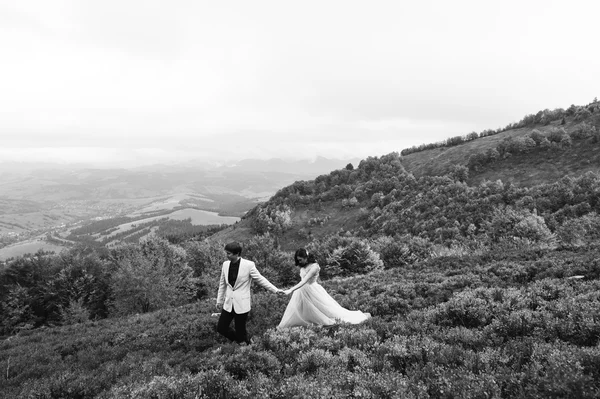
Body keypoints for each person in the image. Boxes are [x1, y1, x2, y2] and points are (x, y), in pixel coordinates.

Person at [278, 248, 371, 328]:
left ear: (306, 257)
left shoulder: (314, 266)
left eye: (300, 260)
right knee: (299, 310)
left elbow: (304, 280)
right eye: (297, 260)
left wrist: (290, 290)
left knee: (324, 312)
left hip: (312, 290)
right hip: (301, 291)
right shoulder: (303, 265)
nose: (298, 262)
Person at [216, 242, 283, 344]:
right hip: (228, 303)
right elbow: (222, 284)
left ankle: (245, 346)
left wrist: (275, 290)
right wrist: (219, 300)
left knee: (240, 331)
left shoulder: (249, 265)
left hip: (242, 303)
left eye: (229, 253)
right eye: (226, 253)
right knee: (221, 328)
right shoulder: (225, 265)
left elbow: (261, 279)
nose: (227, 255)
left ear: (237, 253)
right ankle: (243, 342)